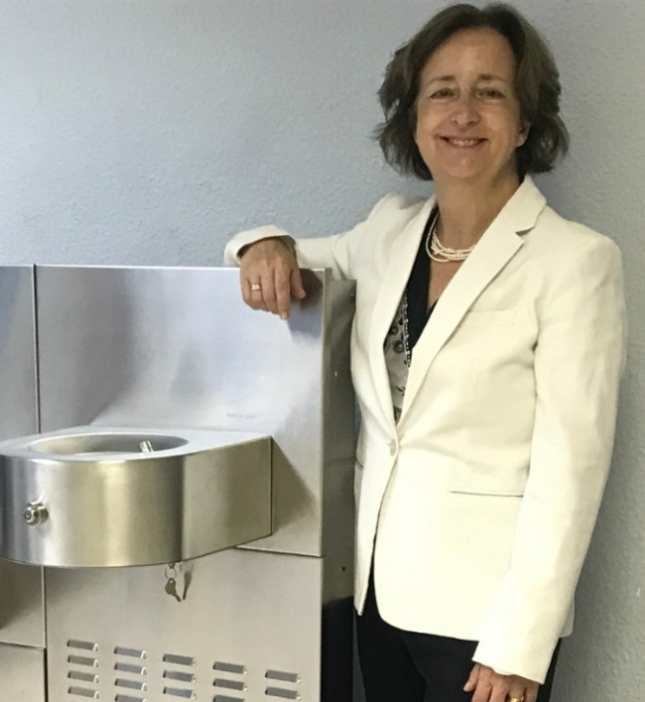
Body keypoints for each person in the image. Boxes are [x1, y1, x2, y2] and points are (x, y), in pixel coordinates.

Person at [224, 4, 625, 702]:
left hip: (488, 624)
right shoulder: (388, 232)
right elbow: (285, 257)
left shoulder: (574, 260)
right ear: (413, 118)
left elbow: (572, 470)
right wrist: (260, 244)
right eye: (442, 91)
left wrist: (521, 643)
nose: (463, 113)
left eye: (490, 92)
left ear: (524, 122)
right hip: (378, 598)